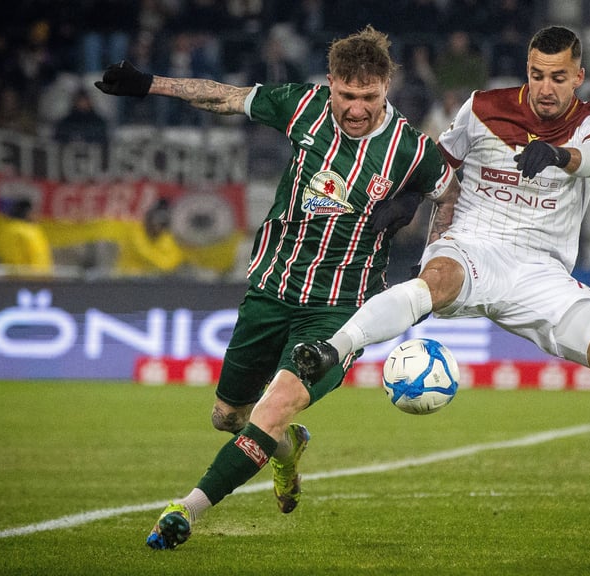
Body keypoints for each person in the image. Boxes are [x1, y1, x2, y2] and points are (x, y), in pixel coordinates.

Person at [94, 25, 455, 550]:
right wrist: (150, 84)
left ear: (387, 89)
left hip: (340, 311)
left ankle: (186, 511)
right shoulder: (303, 105)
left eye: (369, 98)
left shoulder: (412, 149)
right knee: (228, 417)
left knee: (276, 405)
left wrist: (417, 224)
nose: (357, 108)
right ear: (330, 83)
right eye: (347, 96)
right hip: (272, 288)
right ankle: (288, 451)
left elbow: (450, 193)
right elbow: (227, 97)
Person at [293, 26, 590, 550]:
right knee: (434, 281)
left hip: (542, 272)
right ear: (525, 71)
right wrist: (411, 201)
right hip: (473, 244)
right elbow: (440, 162)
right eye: (536, 75)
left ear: (579, 76)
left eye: (557, 77)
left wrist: (557, 156)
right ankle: (332, 349)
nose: (545, 88)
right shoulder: (483, 107)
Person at [115, 198, 186, 276]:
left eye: (162, 222)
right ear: (148, 218)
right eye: (155, 219)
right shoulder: (135, 232)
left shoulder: (169, 237)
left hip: (154, 283)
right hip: (126, 281)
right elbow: (145, 253)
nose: (158, 226)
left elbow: (168, 264)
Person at [0, 198, 54, 275]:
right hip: (22, 279)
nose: (38, 215)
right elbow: (13, 258)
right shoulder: (15, 229)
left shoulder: (33, 229)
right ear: (27, 212)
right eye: (35, 212)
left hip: (36, 278)